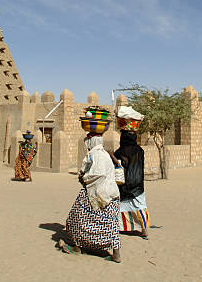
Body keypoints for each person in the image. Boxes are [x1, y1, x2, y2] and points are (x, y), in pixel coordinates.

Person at [59, 132, 122, 262]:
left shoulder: (93, 155)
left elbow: (92, 174)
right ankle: (116, 253)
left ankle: (77, 247)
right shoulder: (105, 153)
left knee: (76, 217)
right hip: (112, 194)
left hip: (96, 193)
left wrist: (83, 178)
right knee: (110, 223)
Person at [114, 111, 149, 239]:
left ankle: (121, 227)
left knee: (121, 206)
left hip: (124, 184)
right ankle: (144, 230)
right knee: (140, 205)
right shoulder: (140, 150)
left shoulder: (120, 151)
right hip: (138, 184)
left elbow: (118, 165)